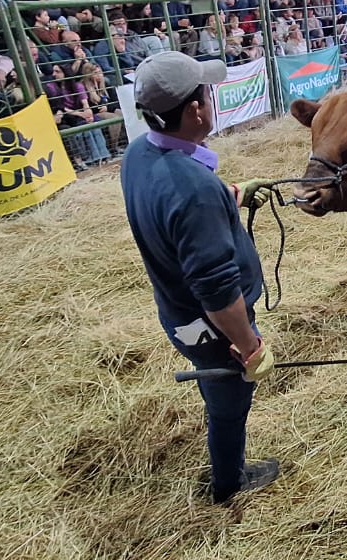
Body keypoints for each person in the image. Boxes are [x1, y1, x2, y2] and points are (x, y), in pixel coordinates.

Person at [119, 50, 281, 504]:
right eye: (205, 93)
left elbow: (168, 216)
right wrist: (250, 347)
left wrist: (227, 197)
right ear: (195, 109)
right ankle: (228, 483)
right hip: (210, 326)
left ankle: (219, 413)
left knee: (217, 389)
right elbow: (217, 291)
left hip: (176, 312)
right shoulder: (194, 193)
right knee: (231, 401)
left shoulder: (137, 152)